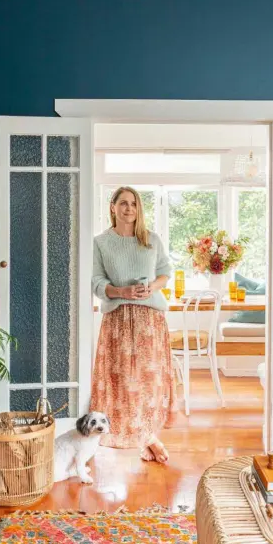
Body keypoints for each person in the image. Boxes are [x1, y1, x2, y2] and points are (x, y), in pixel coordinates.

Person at [90, 186, 177, 463]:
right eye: (124, 203)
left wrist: (152, 287)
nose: (129, 209)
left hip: (150, 319)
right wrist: (121, 292)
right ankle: (146, 439)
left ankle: (148, 436)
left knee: (149, 383)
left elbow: (165, 273)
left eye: (134, 204)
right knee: (123, 382)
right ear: (112, 206)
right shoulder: (101, 242)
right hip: (118, 319)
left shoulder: (151, 239)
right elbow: (96, 282)